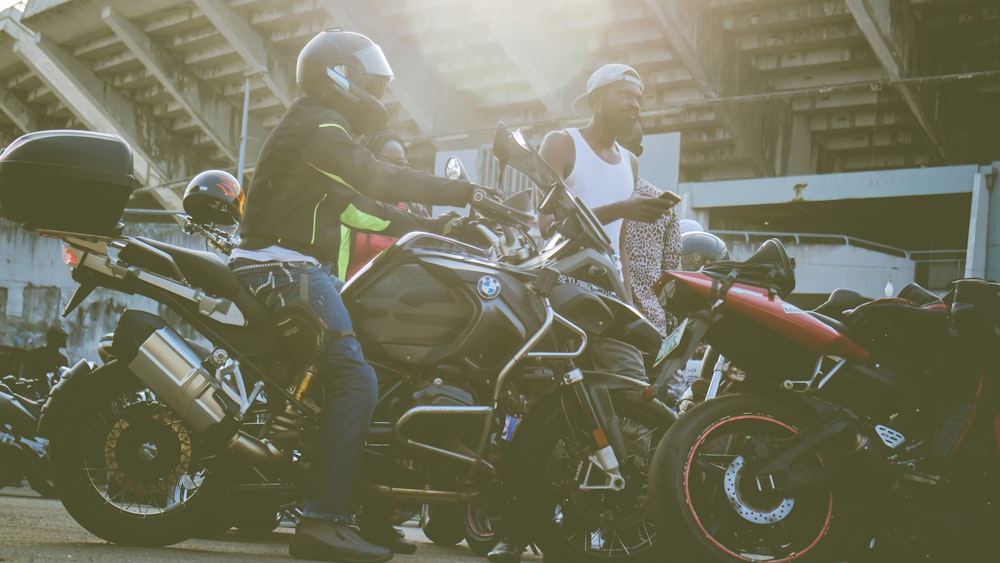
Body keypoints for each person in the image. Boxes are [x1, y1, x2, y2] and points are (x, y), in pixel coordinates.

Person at [229, 29, 490, 563]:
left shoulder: (320, 135)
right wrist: (465, 191)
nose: (379, 96)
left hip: (291, 266)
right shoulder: (318, 124)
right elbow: (375, 175)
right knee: (355, 377)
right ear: (340, 76)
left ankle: (366, 514)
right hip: (283, 267)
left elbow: (363, 207)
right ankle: (320, 521)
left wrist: (440, 227)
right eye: (371, 83)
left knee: (381, 372)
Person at [487, 64, 677, 563]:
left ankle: (626, 523)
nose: (636, 103)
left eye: (640, 95)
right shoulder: (562, 144)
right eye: (625, 94)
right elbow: (542, 221)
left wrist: (634, 299)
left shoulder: (629, 165)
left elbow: (613, 245)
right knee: (538, 414)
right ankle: (516, 526)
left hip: (607, 298)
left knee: (633, 407)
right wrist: (622, 209)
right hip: (555, 295)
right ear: (596, 99)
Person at [344, 129, 430, 280]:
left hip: (400, 298)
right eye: (385, 162)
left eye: (400, 163)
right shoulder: (351, 202)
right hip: (351, 295)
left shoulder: (415, 209)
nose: (394, 170)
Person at [20, 325, 69, 392]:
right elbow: (25, 378)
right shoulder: (35, 355)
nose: (65, 339)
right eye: (61, 336)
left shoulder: (63, 359)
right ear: (53, 338)